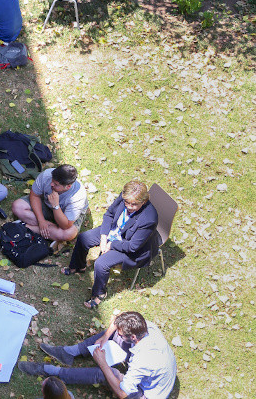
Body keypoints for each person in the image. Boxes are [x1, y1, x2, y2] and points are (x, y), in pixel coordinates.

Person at [19, 311, 177, 399]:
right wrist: (105, 336)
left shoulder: (144, 360)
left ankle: (54, 372)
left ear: (133, 338)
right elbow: (118, 320)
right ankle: (69, 353)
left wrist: (103, 363)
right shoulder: (145, 326)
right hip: (151, 371)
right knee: (113, 334)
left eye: (123, 335)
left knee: (108, 373)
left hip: (146, 395)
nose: (118, 335)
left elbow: (123, 393)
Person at [64, 180, 158, 309]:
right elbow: (109, 214)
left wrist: (111, 245)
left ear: (144, 201)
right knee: (84, 238)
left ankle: (99, 294)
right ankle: (78, 266)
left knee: (101, 264)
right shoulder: (125, 197)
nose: (129, 206)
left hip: (129, 246)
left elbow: (133, 246)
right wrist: (103, 238)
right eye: (127, 202)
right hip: (116, 231)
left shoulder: (149, 219)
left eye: (134, 204)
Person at [11, 164, 88, 246]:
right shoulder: (47, 174)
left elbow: (65, 225)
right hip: (46, 203)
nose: (51, 184)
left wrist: (56, 206)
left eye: (56, 184)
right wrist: (41, 221)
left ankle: (25, 227)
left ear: (68, 186)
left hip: (64, 216)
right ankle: (53, 233)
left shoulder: (78, 197)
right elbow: (34, 195)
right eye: (52, 180)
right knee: (17, 206)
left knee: (69, 233)